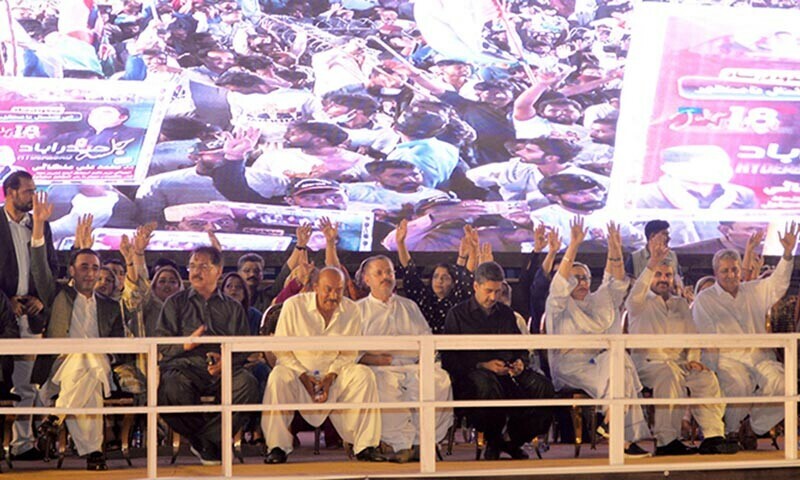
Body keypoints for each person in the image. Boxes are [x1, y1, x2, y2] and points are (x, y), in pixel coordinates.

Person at [29, 192, 138, 471]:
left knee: (88, 360)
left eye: (95, 268)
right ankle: (92, 452)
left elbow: (117, 349)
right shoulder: (57, 296)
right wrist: (39, 226)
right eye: (84, 267)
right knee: (82, 366)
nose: (90, 273)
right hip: (58, 370)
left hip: (101, 369)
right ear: (72, 271)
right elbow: (40, 268)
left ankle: (58, 420)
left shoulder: (110, 307)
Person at [545, 217, 651, 457]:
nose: (580, 282)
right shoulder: (558, 305)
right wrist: (572, 246)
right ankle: (621, 437)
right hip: (570, 365)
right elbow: (559, 284)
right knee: (618, 366)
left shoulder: (597, 301)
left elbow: (614, 283)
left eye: (584, 277)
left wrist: (614, 247)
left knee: (618, 362)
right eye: (575, 277)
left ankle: (613, 426)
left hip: (602, 362)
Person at [626, 237, 738, 456]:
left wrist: (694, 359)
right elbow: (638, 289)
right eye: (658, 274)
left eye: (668, 275)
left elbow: (692, 336)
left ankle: (713, 436)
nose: (663, 279)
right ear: (650, 277)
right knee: (669, 375)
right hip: (649, 366)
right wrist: (653, 262)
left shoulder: (679, 303)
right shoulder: (639, 302)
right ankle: (667, 441)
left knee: (706, 378)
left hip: (680, 364)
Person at [262, 267, 385, 464]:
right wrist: (303, 375)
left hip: (335, 375)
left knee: (363, 375)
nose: (333, 295)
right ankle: (277, 447)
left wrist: (330, 376)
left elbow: (350, 353)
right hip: (297, 373)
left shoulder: (351, 310)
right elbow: (282, 351)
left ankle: (365, 446)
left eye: (339, 290)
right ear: (315, 287)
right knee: (278, 376)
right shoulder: (293, 306)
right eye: (328, 289)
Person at [692, 222, 799, 450]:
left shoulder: (753, 290)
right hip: (727, 358)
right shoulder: (706, 299)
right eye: (725, 271)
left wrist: (788, 254)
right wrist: (708, 368)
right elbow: (706, 337)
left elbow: (778, 284)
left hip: (760, 357)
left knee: (785, 383)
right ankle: (731, 431)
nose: (731, 275)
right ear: (716, 273)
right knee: (739, 384)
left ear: (740, 270)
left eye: (734, 270)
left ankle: (753, 427)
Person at [156, 246, 260, 465]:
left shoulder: (232, 307)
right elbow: (162, 345)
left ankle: (205, 442)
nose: (195, 272)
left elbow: (244, 347)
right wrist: (184, 345)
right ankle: (210, 442)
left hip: (223, 369)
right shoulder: (175, 303)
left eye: (203, 266)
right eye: (192, 266)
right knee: (171, 387)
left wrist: (226, 361)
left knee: (247, 384)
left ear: (218, 270)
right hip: (185, 367)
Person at [443, 261, 554, 460]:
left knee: (543, 387)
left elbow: (519, 347)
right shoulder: (457, 314)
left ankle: (511, 441)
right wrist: (482, 365)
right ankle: (495, 440)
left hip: (508, 374)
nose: (493, 297)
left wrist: (520, 362)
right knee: (486, 383)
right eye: (488, 291)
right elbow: (450, 359)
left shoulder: (506, 313)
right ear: (475, 286)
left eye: (497, 291)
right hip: (473, 379)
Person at [356, 255, 453, 462]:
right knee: (385, 384)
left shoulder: (409, 306)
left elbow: (427, 340)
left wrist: (426, 361)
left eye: (389, 272)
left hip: (413, 366)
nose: (386, 277)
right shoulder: (358, 310)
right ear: (367, 279)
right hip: (380, 367)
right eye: (379, 273)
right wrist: (373, 359)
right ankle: (402, 445)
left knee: (439, 379)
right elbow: (350, 353)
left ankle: (423, 442)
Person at [1, 170, 57, 462]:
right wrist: (5, 301)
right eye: (28, 192)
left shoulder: (40, 226)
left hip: (30, 314)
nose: (34, 198)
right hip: (2, 315)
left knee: (27, 383)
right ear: (8, 192)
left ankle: (23, 444)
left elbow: (52, 268)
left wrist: (40, 300)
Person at [395, 219, 476, 333]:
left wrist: (473, 250)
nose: (439, 280)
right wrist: (401, 243)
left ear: (453, 283)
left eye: (445, 277)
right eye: (436, 276)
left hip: (452, 347)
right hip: (425, 346)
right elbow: (409, 270)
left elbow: (467, 275)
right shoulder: (423, 297)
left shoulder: (459, 301)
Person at [637, 146, 758, 210]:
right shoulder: (645, 196)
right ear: (671, 167)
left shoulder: (743, 195)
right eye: (707, 164)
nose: (715, 169)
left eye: (721, 164)